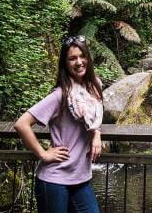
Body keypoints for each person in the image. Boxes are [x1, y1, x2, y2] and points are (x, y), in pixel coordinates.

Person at [14, 35, 104, 213]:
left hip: (81, 179)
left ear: (88, 58)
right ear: (65, 63)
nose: (78, 62)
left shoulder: (95, 87)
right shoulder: (60, 96)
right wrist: (43, 154)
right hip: (54, 180)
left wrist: (96, 133)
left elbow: (93, 121)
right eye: (72, 58)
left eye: (82, 56)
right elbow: (22, 124)